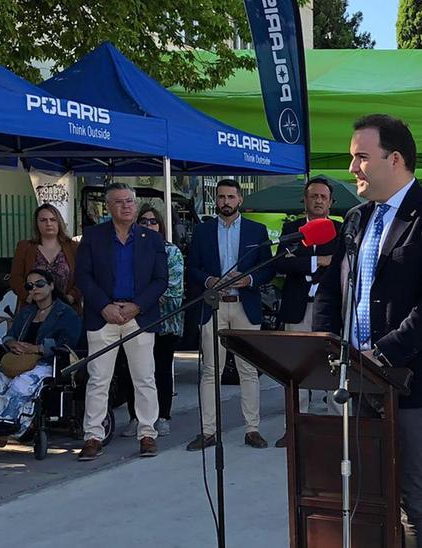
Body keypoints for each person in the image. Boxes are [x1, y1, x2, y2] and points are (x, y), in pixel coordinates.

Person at [314, 114, 422, 548]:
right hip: (355, 379)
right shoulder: (357, 219)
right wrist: (324, 345)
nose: (352, 169)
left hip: (411, 382)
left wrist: (381, 354)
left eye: (361, 157)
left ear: (394, 158)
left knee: (413, 497)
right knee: (363, 493)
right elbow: (332, 290)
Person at [74, 182, 168, 461]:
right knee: (98, 378)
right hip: (104, 316)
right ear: (108, 207)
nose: (126, 206)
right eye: (119, 202)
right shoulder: (93, 236)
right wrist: (104, 306)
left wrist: (137, 306)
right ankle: (93, 435)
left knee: (144, 377)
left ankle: (147, 433)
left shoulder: (151, 239)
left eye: (129, 201)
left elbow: (161, 279)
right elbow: (83, 276)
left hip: (138, 316)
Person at [185, 179, 275, 451]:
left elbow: (268, 268)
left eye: (230, 197)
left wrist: (248, 279)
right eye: (221, 197)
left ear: (240, 200)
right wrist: (209, 280)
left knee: (248, 370)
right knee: (212, 370)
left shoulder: (256, 231)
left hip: (244, 304)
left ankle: (252, 429)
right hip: (214, 305)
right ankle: (208, 431)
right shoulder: (202, 231)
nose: (225, 201)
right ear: (216, 200)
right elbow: (192, 268)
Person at [0, 269, 81, 439]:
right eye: (30, 285)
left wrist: (37, 348)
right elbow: (10, 335)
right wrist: (11, 343)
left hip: (47, 362)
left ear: (51, 286)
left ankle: (11, 425)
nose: (34, 288)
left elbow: (68, 343)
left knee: (21, 384)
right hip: (20, 360)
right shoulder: (27, 312)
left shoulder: (66, 313)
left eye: (40, 284)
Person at [274, 178, 342, 449]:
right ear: (305, 200)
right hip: (297, 308)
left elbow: (340, 265)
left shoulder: (339, 230)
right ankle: (294, 427)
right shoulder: (292, 229)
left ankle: (336, 426)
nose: (318, 200)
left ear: (330, 201)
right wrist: (317, 262)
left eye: (323, 196)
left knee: (332, 366)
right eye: (313, 196)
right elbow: (282, 264)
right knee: (296, 368)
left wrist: (304, 264)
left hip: (328, 308)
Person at [114, 205, 184, 438]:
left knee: (160, 370)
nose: (148, 225)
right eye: (143, 221)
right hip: (134, 322)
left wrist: (141, 300)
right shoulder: (129, 249)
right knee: (133, 370)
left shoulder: (170, 251)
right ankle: (137, 417)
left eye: (153, 221)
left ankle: (162, 416)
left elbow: (172, 288)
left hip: (164, 323)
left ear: (161, 225)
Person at [10, 204, 81, 311]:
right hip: (33, 310)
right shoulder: (25, 247)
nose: (48, 223)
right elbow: (15, 278)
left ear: (59, 222)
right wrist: (28, 297)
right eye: (43, 220)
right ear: (37, 224)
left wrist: (71, 297)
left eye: (53, 219)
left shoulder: (73, 247)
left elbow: (83, 277)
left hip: (67, 310)